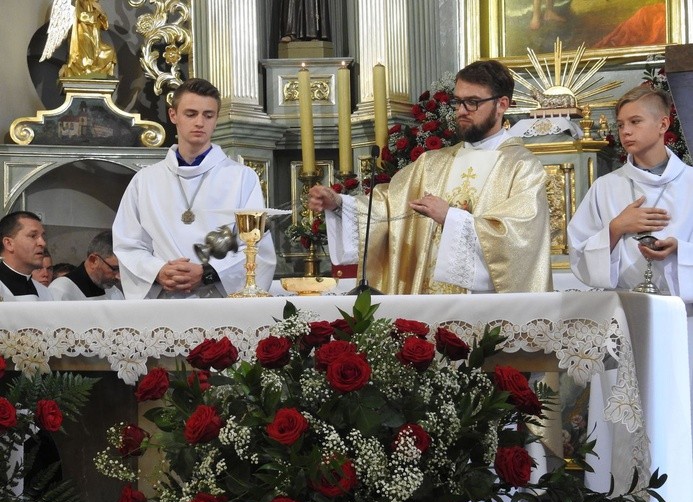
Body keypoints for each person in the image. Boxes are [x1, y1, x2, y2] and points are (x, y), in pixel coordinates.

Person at [309, 60, 552, 295]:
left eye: (473, 103)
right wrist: (339, 204)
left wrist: (450, 217)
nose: (461, 111)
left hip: (484, 308)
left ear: (502, 104)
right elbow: (388, 210)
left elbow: (520, 242)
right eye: (458, 102)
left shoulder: (522, 167)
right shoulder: (432, 163)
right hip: (430, 304)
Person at [112, 78, 276, 299]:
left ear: (216, 119)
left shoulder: (242, 178)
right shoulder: (145, 180)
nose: (200, 122)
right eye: (191, 114)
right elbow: (127, 244)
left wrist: (208, 273)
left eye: (208, 115)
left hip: (218, 300)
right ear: (173, 115)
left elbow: (257, 247)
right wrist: (158, 271)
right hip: (163, 301)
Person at [568, 85, 692, 302]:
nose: (625, 131)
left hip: (683, 311)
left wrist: (679, 249)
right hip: (624, 308)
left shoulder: (689, 182)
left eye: (635, 121)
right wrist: (616, 228)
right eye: (620, 124)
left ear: (663, 124)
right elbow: (579, 251)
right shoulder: (605, 186)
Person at [49, 230, 123, 300]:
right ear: (93, 260)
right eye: (114, 269)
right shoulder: (60, 290)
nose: (119, 277)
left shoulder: (115, 293)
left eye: (121, 270)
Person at [0, 211, 53, 301]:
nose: (42, 243)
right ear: (9, 244)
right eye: (33, 236)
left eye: (43, 237)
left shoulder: (44, 293)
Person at [61, 0, 117, 77]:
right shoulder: (80, 1)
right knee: (87, 58)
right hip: (84, 35)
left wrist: (101, 12)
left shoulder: (96, 5)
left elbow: (104, 26)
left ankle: (96, 72)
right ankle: (85, 70)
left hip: (96, 38)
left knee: (110, 52)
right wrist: (96, 13)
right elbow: (82, 16)